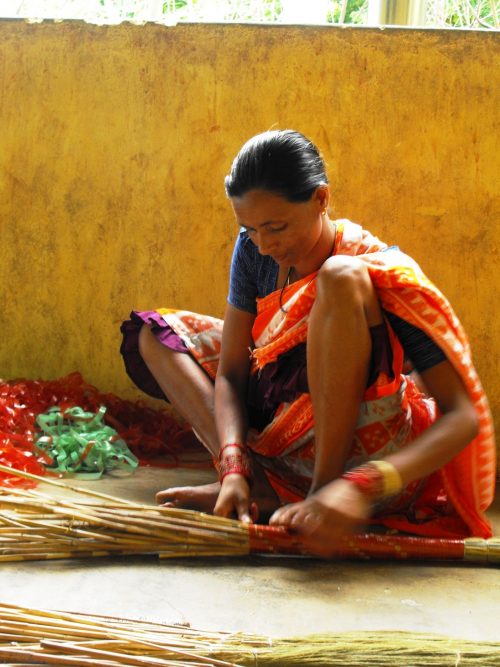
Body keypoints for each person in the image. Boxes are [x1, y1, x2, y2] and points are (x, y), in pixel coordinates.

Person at [120, 130, 496, 556]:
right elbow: (230, 374)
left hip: (364, 462)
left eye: (276, 227)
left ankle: (320, 489)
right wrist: (233, 466)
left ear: (321, 199)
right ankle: (255, 482)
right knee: (157, 334)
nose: (264, 244)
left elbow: (463, 418)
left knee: (340, 276)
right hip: (277, 447)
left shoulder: (375, 265)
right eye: (250, 229)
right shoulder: (254, 249)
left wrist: (356, 488)